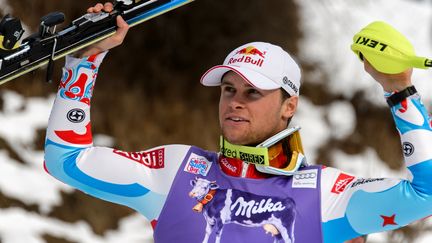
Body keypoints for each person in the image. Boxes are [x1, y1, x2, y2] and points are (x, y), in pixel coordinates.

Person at [44, 2, 432, 243]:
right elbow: (68, 160)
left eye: (253, 92)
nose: (235, 102)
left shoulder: (327, 194)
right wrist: (85, 62)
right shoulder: (177, 170)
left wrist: (399, 90)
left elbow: (427, 194)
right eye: (229, 89)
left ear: (288, 105)